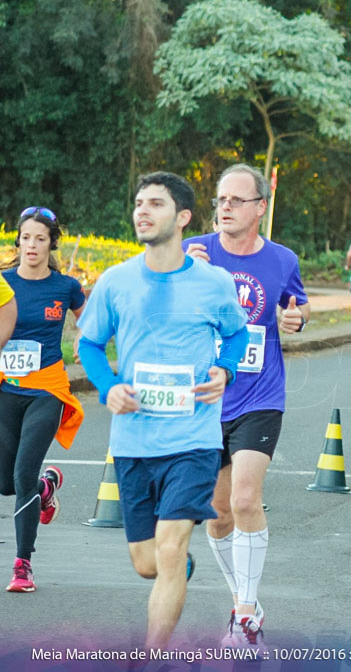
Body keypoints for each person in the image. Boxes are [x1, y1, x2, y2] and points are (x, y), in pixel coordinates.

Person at [78, 172, 248, 650]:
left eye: (155, 203)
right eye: (138, 203)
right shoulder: (116, 281)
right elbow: (89, 343)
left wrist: (225, 369)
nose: (142, 211)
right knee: (147, 562)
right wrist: (109, 386)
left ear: (183, 217)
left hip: (193, 440)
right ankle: (179, 568)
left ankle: (153, 657)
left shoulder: (214, 282)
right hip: (133, 440)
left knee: (171, 547)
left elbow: (235, 334)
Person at [183, 163, 310, 649]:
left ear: (261, 207)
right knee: (217, 515)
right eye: (220, 200)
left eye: (237, 200)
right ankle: (247, 598)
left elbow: (294, 306)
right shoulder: (196, 252)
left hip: (260, 395)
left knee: (243, 500)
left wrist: (295, 318)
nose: (226, 208)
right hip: (206, 398)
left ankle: (241, 614)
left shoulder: (281, 259)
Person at [0, 206, 85, 593]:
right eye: (26, 237)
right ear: (17, 240)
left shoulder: (65, 286)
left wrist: (86, 341)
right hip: (6, 387)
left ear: (51, 244)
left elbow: (90, 322)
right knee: (7, 482)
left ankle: (22, 564)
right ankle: (45, 488)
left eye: (40, 238)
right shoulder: (3, 282)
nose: (31, 245)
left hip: (47, 390)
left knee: (21, 474)